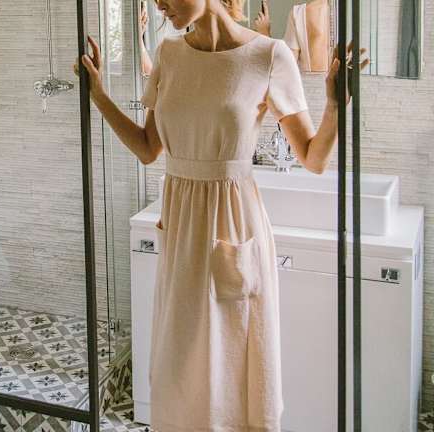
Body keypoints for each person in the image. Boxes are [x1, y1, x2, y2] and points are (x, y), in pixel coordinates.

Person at [73, 0, 367, 430]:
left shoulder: (268, 55)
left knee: (232, 363)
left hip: (234, 223)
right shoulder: (169, 53)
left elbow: (313, 158)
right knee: (179, 365)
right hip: (181, 229)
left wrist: (336, 107)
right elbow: (148, 148)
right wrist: (99, 95)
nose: (159, 4)